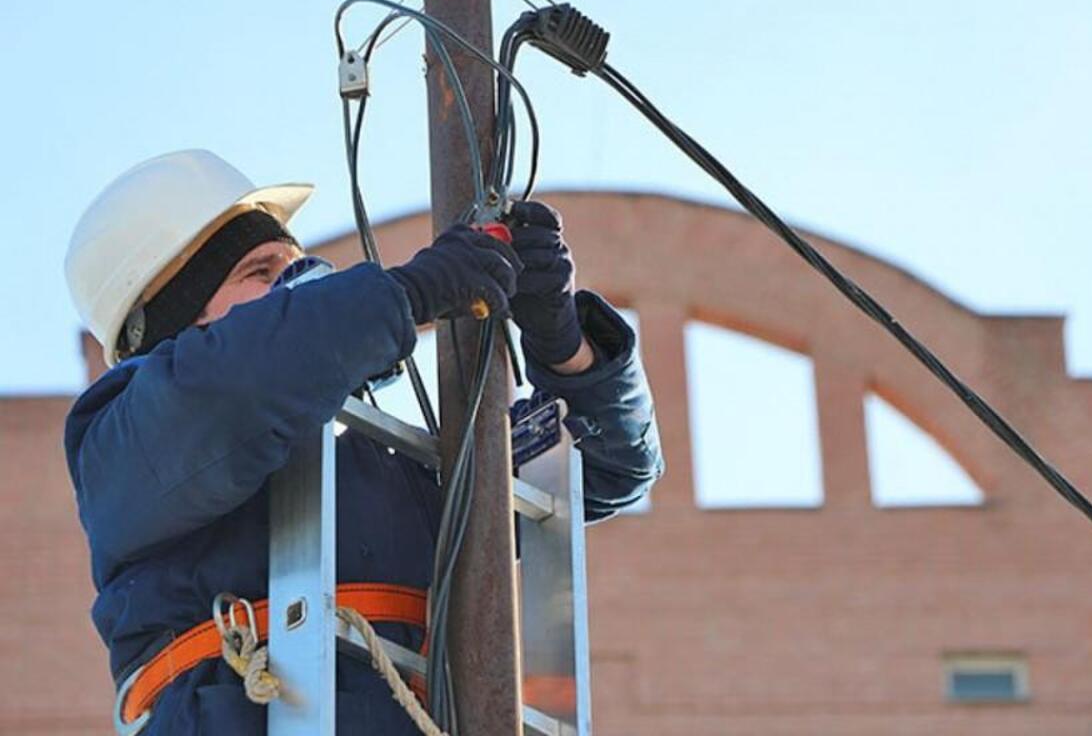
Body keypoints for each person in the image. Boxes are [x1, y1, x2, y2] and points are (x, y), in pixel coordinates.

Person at [63, 149, 663, 734]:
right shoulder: (122, 440)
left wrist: (565, 346)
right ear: (179, 319)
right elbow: (236, 384)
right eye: (260, 273)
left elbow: (603, 468)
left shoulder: (388, 477)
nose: (298, 283)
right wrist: (407, 294)